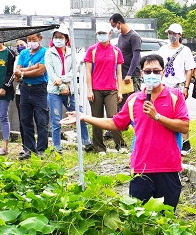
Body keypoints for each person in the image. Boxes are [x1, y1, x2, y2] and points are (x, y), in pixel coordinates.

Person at [64, 53, 191, 208]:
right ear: (142, 74)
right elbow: (115, 123)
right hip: (141, 168)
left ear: (163, 73)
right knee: (138, 216)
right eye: (148, 71)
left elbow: (184, 126)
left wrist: (157, 116)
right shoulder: (134, 100)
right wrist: (84, 117)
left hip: (168, 167)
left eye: (156, 71)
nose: (152, 74)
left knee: (167, 216)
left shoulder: (175, 96)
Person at [83, 24, 126, 153]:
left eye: (104, 33)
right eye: (99, 33)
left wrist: (120, 91)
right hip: (96, 89)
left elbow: (119, 73)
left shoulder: (116, 51)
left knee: (113, 117)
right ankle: (99, 147)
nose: (101, 35)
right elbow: (88, 72)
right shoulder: (92, 50)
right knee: (97, 118)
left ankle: (121, 145)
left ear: (110, 34)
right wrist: (89, 90)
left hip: (111, 89)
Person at [15, 33, 53, 158]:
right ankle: (28, 149)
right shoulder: (23, 53)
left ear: (40, 39)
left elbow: (40, 71)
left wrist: (23, 72)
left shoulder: (45, 52)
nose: (31, 42)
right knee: (25, 120)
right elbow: (17, 70)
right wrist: (32, 68)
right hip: (25, 89)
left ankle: (41, 149)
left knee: (42, 120)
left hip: (40, 89)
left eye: (34, 39)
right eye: (29, 39)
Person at [46, 28, 79, 151]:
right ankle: (57, 147)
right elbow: (51, 73)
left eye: (61, 37)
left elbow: (73, 71)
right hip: (55, 91)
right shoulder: (49, 53)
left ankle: (86, 142)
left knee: (79, 115)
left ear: (66, 39)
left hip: (70, 91)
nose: (58, 40)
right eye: (56, 37)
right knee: (56, 120)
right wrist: (61, 85)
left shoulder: (72, 52)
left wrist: (63, 80)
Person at [111, 13, 143, 92]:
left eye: (114, 26)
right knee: (122, 99)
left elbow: (136, 57)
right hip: (122, 74)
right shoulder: (121, 36)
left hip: (132, 76)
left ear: (119, 23)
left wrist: (129, 74)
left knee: (134, 98)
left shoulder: (134, 36)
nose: (114, 28)